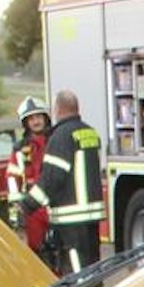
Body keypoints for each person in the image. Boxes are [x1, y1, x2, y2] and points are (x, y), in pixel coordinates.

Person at [24, 89, 105, 276]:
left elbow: (52, 178)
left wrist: (28, 205)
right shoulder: (89, 132)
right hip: (91, 215)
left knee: (78, 274)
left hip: (71, 217)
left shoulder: (60, 136)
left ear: (58, 110)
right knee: (93, 267)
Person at [7, 95, 53, 266]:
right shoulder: (20, 148)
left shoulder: (55, 141)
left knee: (60, 245)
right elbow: (13, 178)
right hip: (32, 205)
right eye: (31, 118)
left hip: (55, 201)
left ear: (45, 118)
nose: (36, 121)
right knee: (36, 249)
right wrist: (17, 210)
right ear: (25, 122)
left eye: (38, 117)